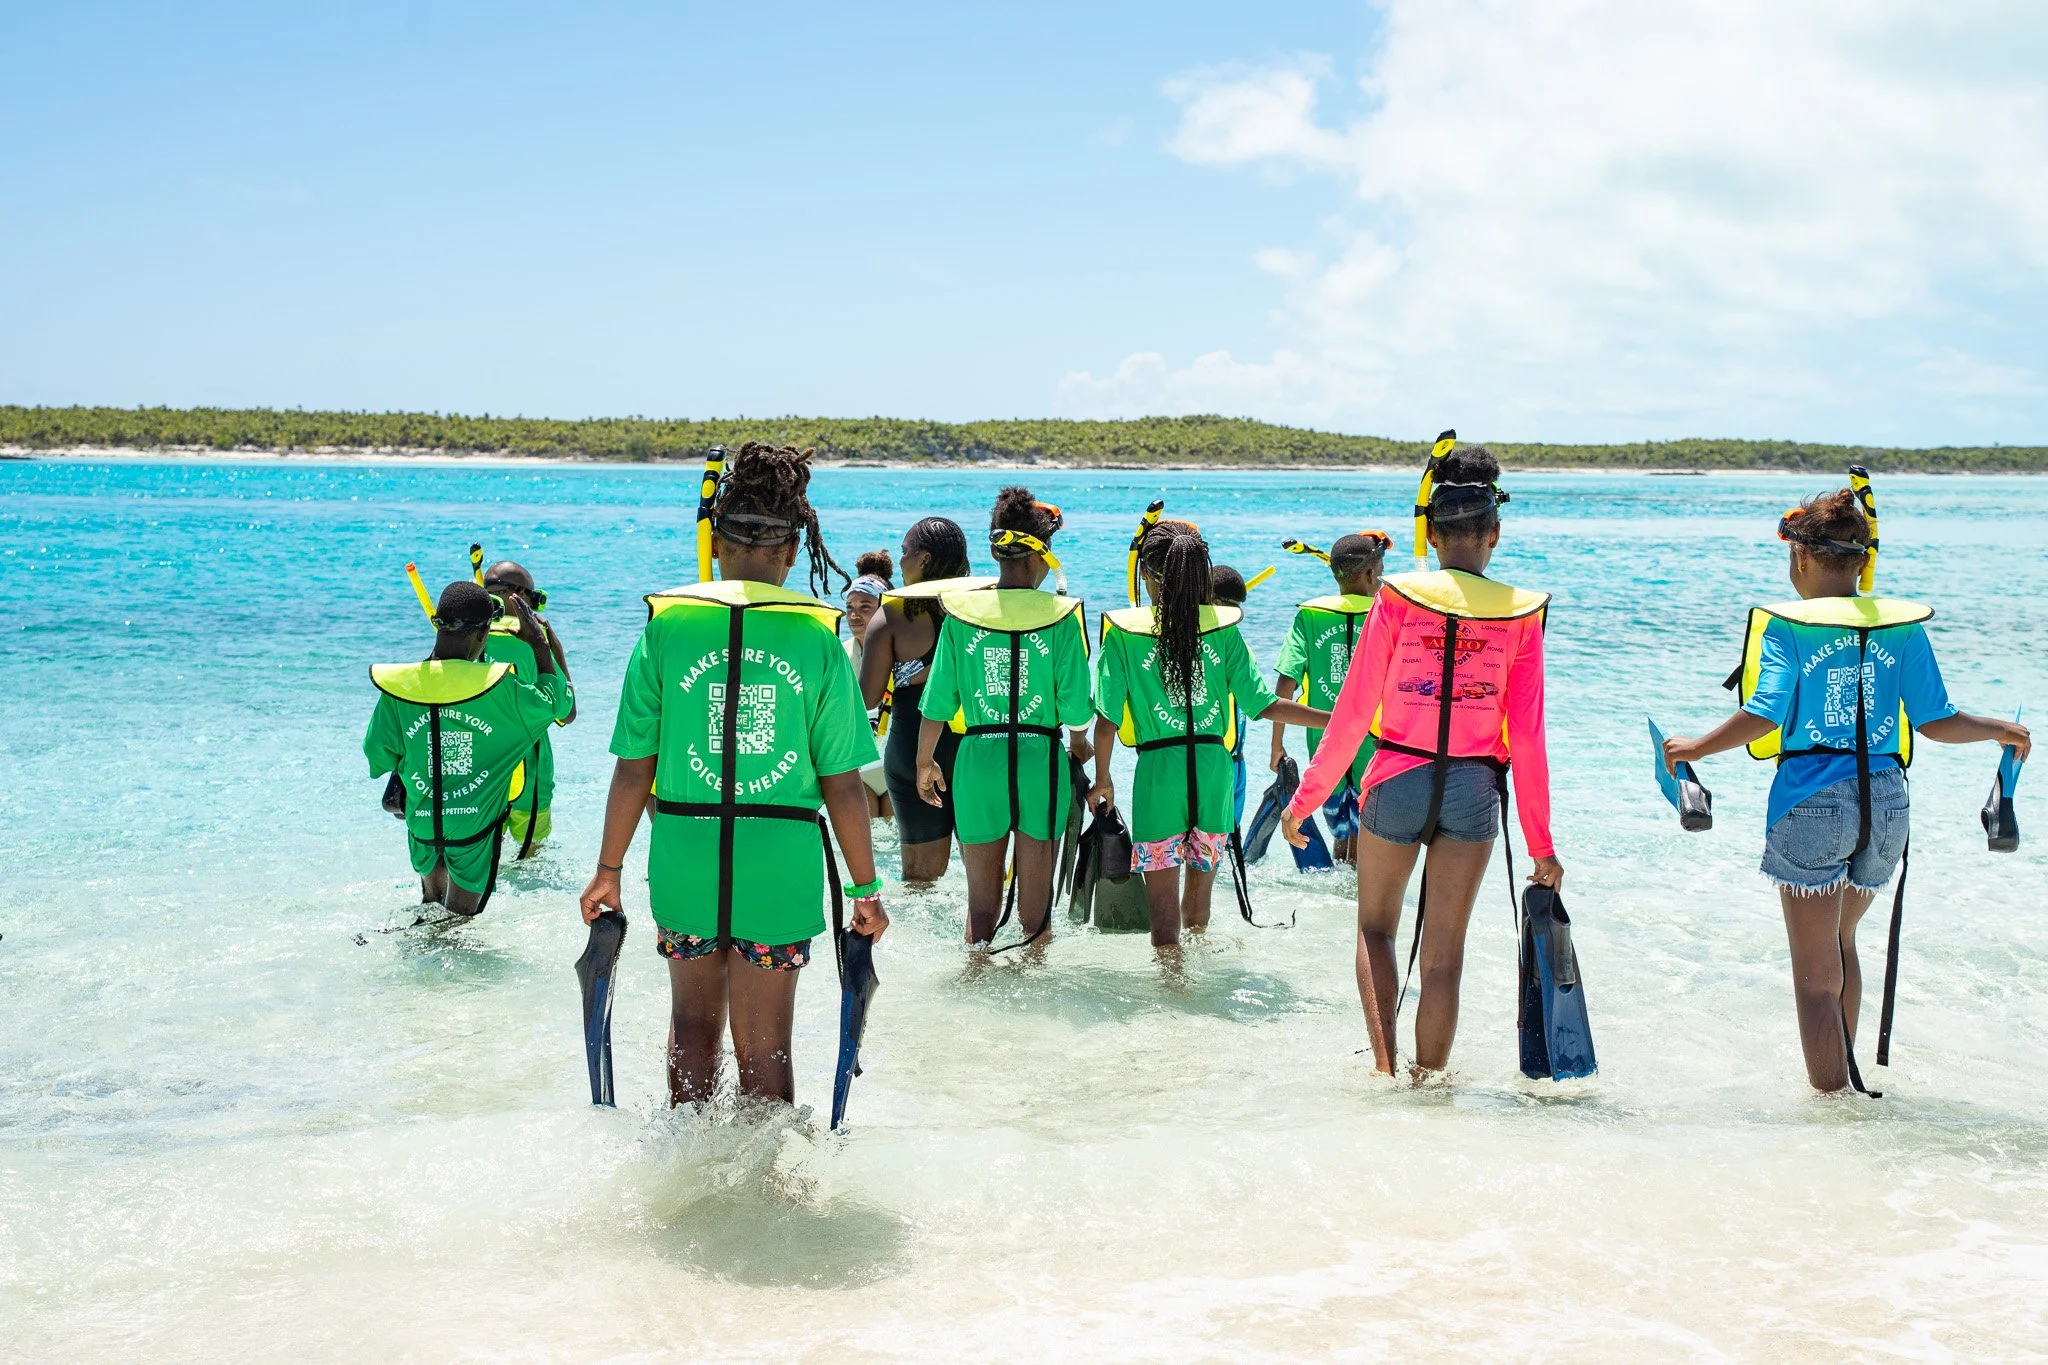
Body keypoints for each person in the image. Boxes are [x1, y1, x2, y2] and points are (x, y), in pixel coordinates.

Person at [1662, 487, 2029, 1094]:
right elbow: (1937, 721)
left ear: (1802, 558)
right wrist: (2000, 730)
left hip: (1811, 800)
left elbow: (1765, 713)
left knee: (1814, 976)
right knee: (1842, 942)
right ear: (1861, 562)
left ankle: (1832, 1110)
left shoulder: (1787, 626)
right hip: (1887, 801)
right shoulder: (1900, 628)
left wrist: (1695, 748)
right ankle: (1848, 1093)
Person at [578, 442, 888, 1107]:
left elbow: (634, 769)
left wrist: (608, 870)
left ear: (716, 543)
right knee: (766, 1043)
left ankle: (687, 1164)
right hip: (780, 866)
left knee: (691, 1030)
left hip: (684, 858)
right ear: (792, 551)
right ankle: (765, 1174)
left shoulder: (667, 628)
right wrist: (864, 889)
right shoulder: (818, 638)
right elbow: (842, 783)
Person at [1283, 446, 1562, 1080]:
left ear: (1431, 535)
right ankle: (1429, 1085)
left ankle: (1384, 1071)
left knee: (1376, 929)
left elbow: (1353, 712)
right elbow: (1528, 737)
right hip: (1476, 786)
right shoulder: (1522, 611)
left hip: (1398, 774)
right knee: (1444, 956)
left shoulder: (1397, 597)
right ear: (1494, 533)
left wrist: (1305, 802)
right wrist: (1542, 845)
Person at [1090, 520, 1330, 954]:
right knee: (1198, 909)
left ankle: (1173, 984)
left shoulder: (1124, 633)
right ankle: (1202, 979)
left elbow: (1106, 722)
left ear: (1146, 574)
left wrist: (1103, 779)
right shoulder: (1224, 629)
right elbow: (1265, 705)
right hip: (1214, 770)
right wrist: (1336, 719)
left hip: (1158, 773)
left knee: (1163, 918)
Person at [916, 488, 1094, 949]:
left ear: (996, 552)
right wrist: (1079, 743)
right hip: (1040, 761)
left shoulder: (962, 614)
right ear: (1044, 554)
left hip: (978, 760)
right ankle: (1034, 986)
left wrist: (924, 762)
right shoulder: (1062, 617)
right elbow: (1077, 707)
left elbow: (938, 701)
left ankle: (975, 983)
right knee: (1036, 914)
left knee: (980, 910)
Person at [364, 581, 564, 916]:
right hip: (475, 827)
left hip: (423, 822)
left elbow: (378, 755)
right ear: (484, 634)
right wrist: (541, 646)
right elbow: (558, 703)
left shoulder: (400, 688)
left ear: (437, 626)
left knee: (431, 905)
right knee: (460, 919)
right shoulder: (500, 687)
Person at [858, 517, 988, 886]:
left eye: (905, 552)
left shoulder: (891, 615)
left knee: (919, 882)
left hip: (912, 746)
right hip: (976, 748)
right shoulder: (979, 610)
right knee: (985, 877)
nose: (900, 561)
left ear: (924, 559)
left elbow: (867, 697)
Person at [1270, 532, 1392, 864]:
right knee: (1367, 835)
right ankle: (1357, 892)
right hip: (1376, 742)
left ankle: (1338, 889)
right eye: (1381, 569)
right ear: (1370, 573)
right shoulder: (1388, 613)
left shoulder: (1311, 615)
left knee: (1341, 832)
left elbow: (1286, 681)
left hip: (1325, 743)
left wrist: (1276, 745)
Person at [479, 560, 576, 857]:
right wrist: (552, 646)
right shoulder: (534, 647)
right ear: (519, 597)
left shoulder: (467, 642)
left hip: (480, 778)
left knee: (482, 863)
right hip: (530, 779)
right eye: (533, 598)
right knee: (530, 862)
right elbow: (566, 712)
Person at [843, 551, 895, 820]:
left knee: (896, 844)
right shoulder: (839, 655)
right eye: (850, 607)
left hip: (895, 764)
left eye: (865, 607)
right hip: (859, 766)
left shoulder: (905, 656)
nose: (854, 615)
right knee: (871, 841)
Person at [1210, 565, 1253, 831]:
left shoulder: (1237, 645)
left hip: (1238, 760)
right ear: (1215, 605)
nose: (1239, 616)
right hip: (1215, 760)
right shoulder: (1206, 650)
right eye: (1234, 608)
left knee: (1230, 840)